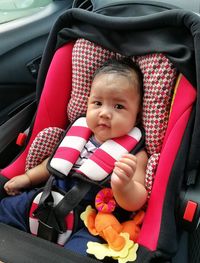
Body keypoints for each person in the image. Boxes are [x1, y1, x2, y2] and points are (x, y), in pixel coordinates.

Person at [0, 58, 148, 254]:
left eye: (118, 107)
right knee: (7, 208)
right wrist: (27, 178)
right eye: (97, 103)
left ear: (137, 115)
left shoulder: (135, 155)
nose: (104, 113)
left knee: (86, 251)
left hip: (90, 219)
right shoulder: (78, 134)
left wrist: (125, 186)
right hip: (46, 198)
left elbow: (138, 199)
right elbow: (51, 165)